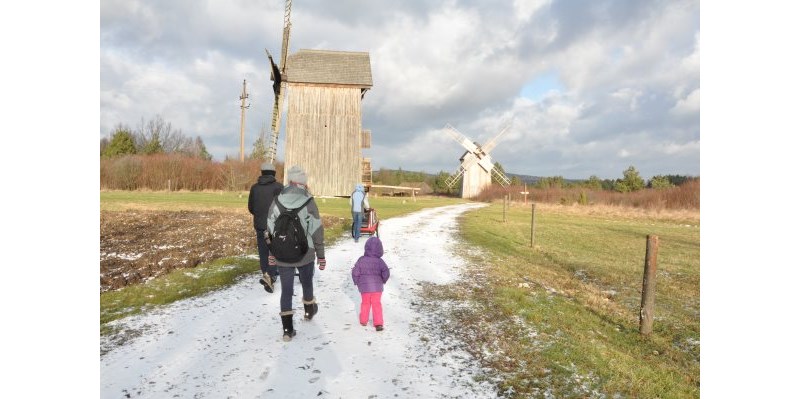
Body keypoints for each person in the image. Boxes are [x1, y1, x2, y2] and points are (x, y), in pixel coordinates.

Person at [266, 165, 326, 342]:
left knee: (286, 290)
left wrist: (272, 252)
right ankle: (309, 310)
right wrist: (321, 256)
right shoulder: (309, 201)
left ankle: (287, 329)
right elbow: (317, 231)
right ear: (303, 183)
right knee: (307, 282)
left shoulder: (277, 201)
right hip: (305, 253)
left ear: (290, 182)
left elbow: (269, 229)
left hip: (282, 253)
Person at [248, 162, 283, 294]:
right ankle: (271, 275)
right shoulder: (279, 187)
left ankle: (266, 273)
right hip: (275, 226)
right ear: (273, 173)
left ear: (262, 173)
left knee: (263, 251)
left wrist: (259, 216)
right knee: (273, 251)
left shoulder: (254, 188)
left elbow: (251, 207)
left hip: (260, 225)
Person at [351, 236, 390, 331]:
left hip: (365, 288)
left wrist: (356, 281)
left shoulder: (361, 260)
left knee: (365, 303)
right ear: (380, 249)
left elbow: (355, 272)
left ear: (366, 247)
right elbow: (386, 272)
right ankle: (378, 323)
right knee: (377, 304)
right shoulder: (380, 262)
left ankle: (363, 320)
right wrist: (383, 280)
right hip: (377, 288)